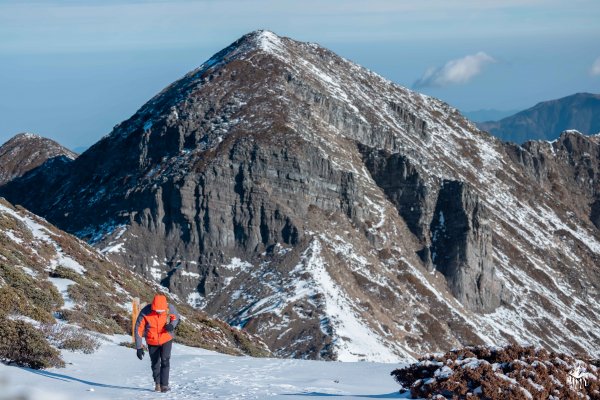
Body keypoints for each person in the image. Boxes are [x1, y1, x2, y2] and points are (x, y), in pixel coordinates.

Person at [134, 294, 180, 393]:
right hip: (152, 340)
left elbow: (176, 318)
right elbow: (138, 328)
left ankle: (165, 385)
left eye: (161, 311)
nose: (159, 312)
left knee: (165, 360)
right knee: (155, 363)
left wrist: (172, 325)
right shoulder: (146, 311)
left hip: (166, 338)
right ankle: (157, 384)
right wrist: (139, 347)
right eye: (157, 310)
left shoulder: (170, 308)